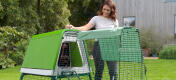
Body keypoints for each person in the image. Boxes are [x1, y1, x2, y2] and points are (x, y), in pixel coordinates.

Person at [66, 0, 119, 80]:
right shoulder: (96, 18)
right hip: (98, 46)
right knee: (99, 71)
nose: (105, 11)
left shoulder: (114, 21)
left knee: (113, 73)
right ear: (102, 8)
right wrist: (73, 27)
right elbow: (85, 28)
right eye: (104, 9)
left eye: (108, 10)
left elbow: (116, 35)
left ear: (111, 10)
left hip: (111, 47)